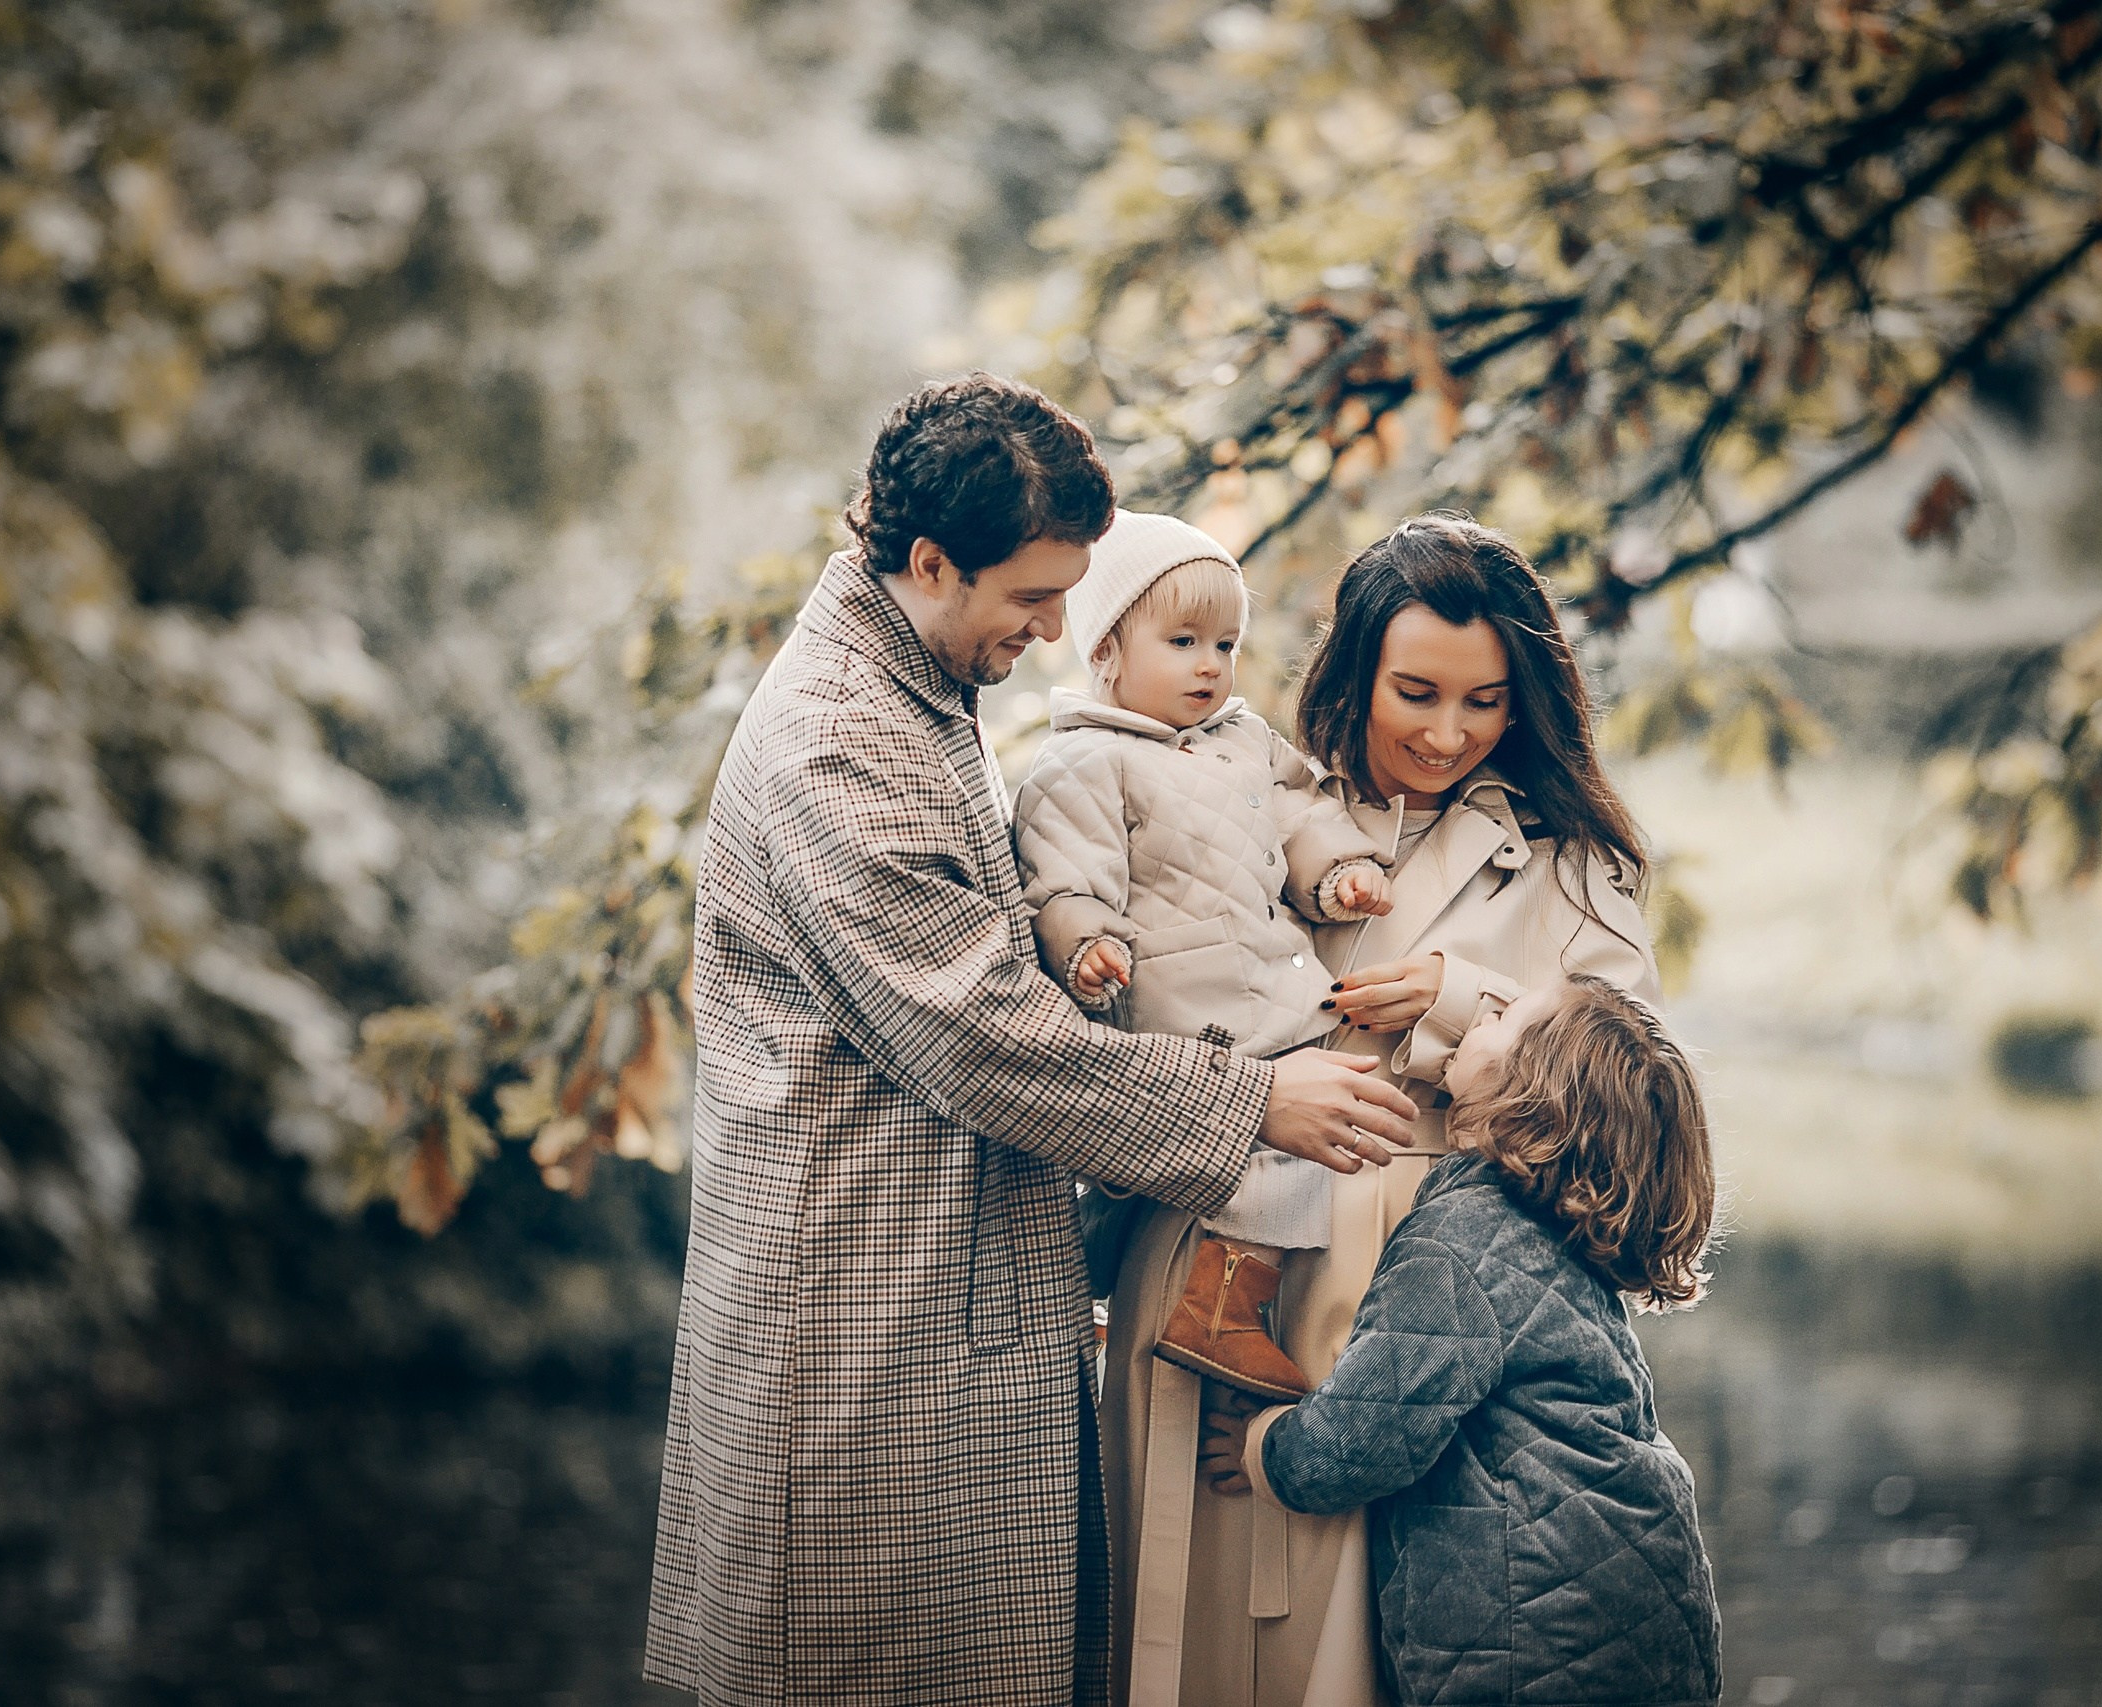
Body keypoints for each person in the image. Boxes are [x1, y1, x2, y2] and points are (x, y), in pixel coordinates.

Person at [643, 373, 1418, 1707]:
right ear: (928, 560)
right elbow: (983, 1035)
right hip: (857, 1320)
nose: (1060, 626)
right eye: (1032, 596)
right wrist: (1251, 1101)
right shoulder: (841, 744)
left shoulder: (913, 678)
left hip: (930, 1293)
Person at [1100, 513, 1663, 1707]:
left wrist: (1460, 1002)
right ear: (1352, 671)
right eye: (1414, 692)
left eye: (1487, 702)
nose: (1447, 733)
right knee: (1177, 1621)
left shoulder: (1577, 864)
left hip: (1418, 1293)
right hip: (1215, 1241)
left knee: (1349, 1638)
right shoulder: (1237, 791)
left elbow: (1640, 1107)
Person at [1215, 975, 1723, 1707]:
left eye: (1507, 1016)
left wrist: (1261, 1444)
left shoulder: (1462, 1241)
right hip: (1653, 1605)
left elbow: (1353, 1442)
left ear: (1531, 1091)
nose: (1481, 1011)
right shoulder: (1567, 1239)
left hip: (1537, 1641)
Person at [1015, 509, 1395, 1402]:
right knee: (1249, 1145)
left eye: (1224, 642)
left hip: (1260, 973)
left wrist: (1336, 873)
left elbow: (1297, 817)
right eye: (1182, 639)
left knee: (1272, 1140)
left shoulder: (1244, 740)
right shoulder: (1083, 762)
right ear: (1106, 649)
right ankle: (1219, 1309)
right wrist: (1087, 945)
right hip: (1181, 1005)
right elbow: (1063, 880)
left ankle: (1132, 1296)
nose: (1208, 665)